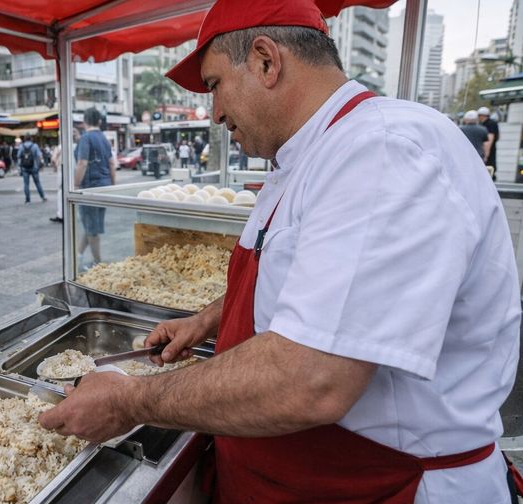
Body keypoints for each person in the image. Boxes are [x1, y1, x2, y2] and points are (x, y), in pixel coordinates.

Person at [39, 1, 520, 502]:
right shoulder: (304, 156)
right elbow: (305, 277)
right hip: (286, 473)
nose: (216, 113)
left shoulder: (381, 151)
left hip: (380, 484)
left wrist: (130, 400)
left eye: (214, 86)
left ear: (267, 61)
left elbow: (312, 380)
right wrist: (206, 321)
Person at [74, 108, 115, 267]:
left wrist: (76, 185)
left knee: (92, 229)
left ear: (84, 121)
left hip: (89, 188)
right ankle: (77, 255)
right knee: (91, 225)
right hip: (104, 187)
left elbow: (82, 163)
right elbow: (112, 163)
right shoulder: (104, 138)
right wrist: (112, 186)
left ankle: (98, 264)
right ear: (99, 121)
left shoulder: (86, 138)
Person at [18, 134, 47, 204]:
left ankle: (28, 200)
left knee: (26, 184)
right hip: (34, 167)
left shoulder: (21, 146)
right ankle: (42, 196)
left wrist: (19, 166)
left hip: (24, 167)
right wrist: (41, 164)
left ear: (24, 139)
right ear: (31, 138)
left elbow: (18, 156)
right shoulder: (35, 146)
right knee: (37, 182)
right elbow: (40, 156)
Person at [479, 106, 500, 180]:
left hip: (488, 150)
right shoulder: (492, 123)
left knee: (488, 169)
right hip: (491, 149)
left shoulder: (489, 124)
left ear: (482, 116)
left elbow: (489, 139)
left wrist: (486, 154)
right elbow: (498, 137)